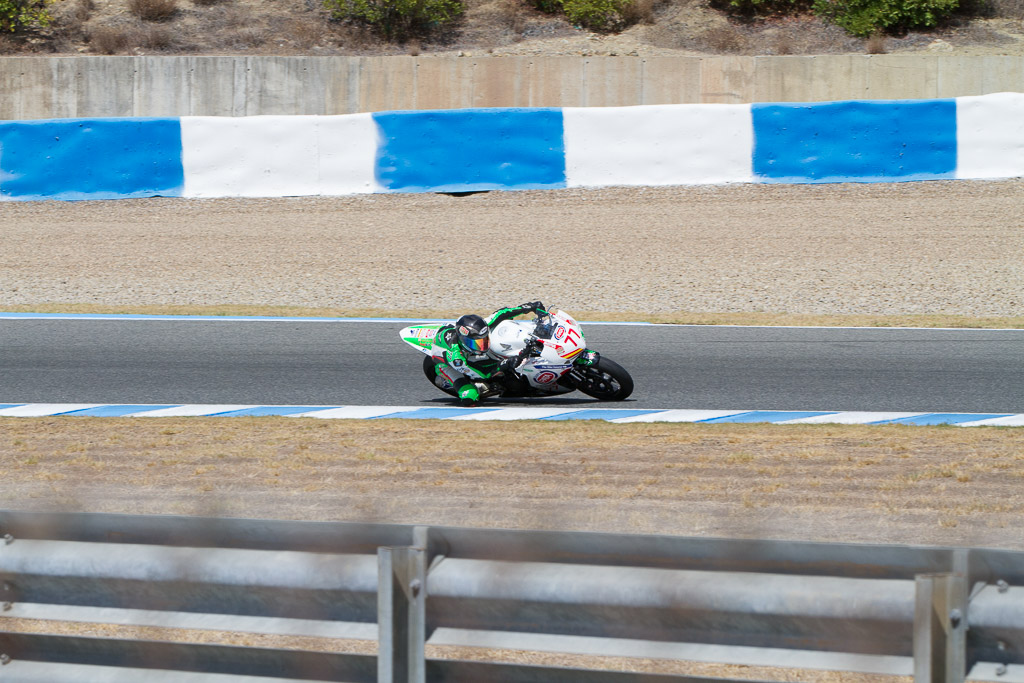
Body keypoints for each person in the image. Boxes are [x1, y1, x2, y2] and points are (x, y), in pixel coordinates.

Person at [430, 301, 545, 406]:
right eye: (477, 343)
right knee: (470, 396)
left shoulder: (480, 327)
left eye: (484, 340)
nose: (482, 345)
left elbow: (501, 313)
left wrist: (529, 307)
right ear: (463, 340)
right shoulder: (457, 358)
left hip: (461, 345)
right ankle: (452, 384)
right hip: (445, 364)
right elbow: (481, 372)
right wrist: (505, 363)